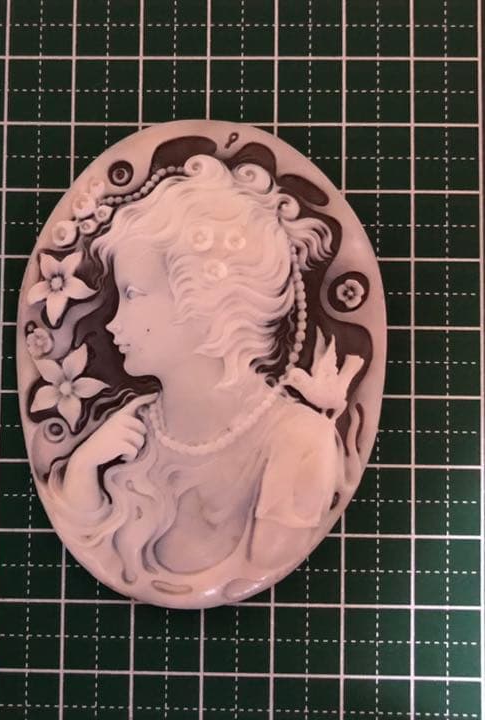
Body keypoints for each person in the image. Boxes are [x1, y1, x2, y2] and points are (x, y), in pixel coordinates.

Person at [41, 154, 354, 604]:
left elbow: (262, 567)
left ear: (207, 300)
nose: (112, 322)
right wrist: (84, 469)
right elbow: (95, 547)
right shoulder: (129, 431)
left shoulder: (300, 442)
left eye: (132, 294)